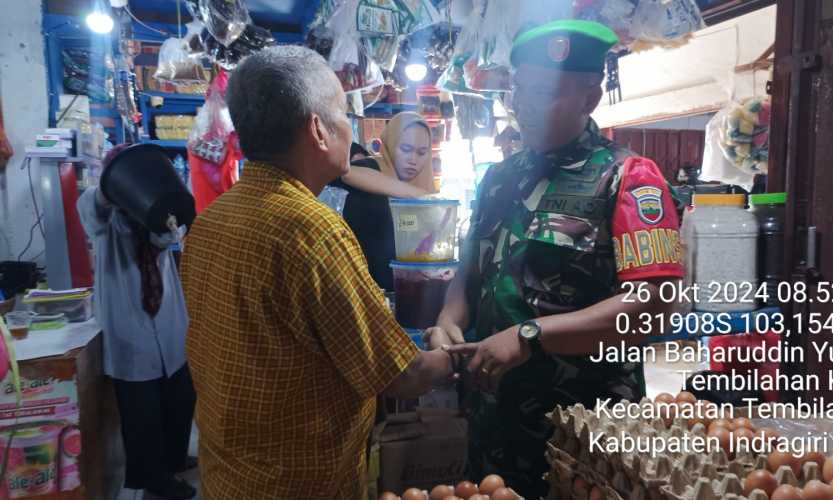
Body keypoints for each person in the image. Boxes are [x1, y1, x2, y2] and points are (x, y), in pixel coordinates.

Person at [179, 46, 457, 500]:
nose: (352, 129)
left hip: (228, 473)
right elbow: (396, 374)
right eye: (344, 112)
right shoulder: (313, 229)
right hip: (299, 482)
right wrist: (452, 360)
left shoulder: (213, 219)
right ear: (317, 129)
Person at [426, 20, 684, 497]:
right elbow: (470, 269)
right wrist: (448, 316)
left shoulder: (628, 178)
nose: (523, 105)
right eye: (519, 89)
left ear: (590, 97)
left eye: (544, 92)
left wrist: (531, 334)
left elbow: (653, 303)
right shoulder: (499, 178)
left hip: (588, 437)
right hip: (495, 423)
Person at [77, 145, 196, 500]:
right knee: (141, 411)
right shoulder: (101, 214)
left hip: (169, 324)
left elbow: (166, 236)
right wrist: (118, 183)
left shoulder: (151, 217)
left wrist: (164, 203)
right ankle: (153, 478)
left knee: (178, 399)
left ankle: (173, 462)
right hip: (129, 329)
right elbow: (94, 207)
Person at [333, 112, 436, 290]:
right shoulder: (370, 170)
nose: (413, 160)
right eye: (405, 149)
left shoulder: (426, 187)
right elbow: (345, 174)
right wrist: (417, 195)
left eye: (421, 153)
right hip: (361, 290)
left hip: (406, 294)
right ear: (390, 144)